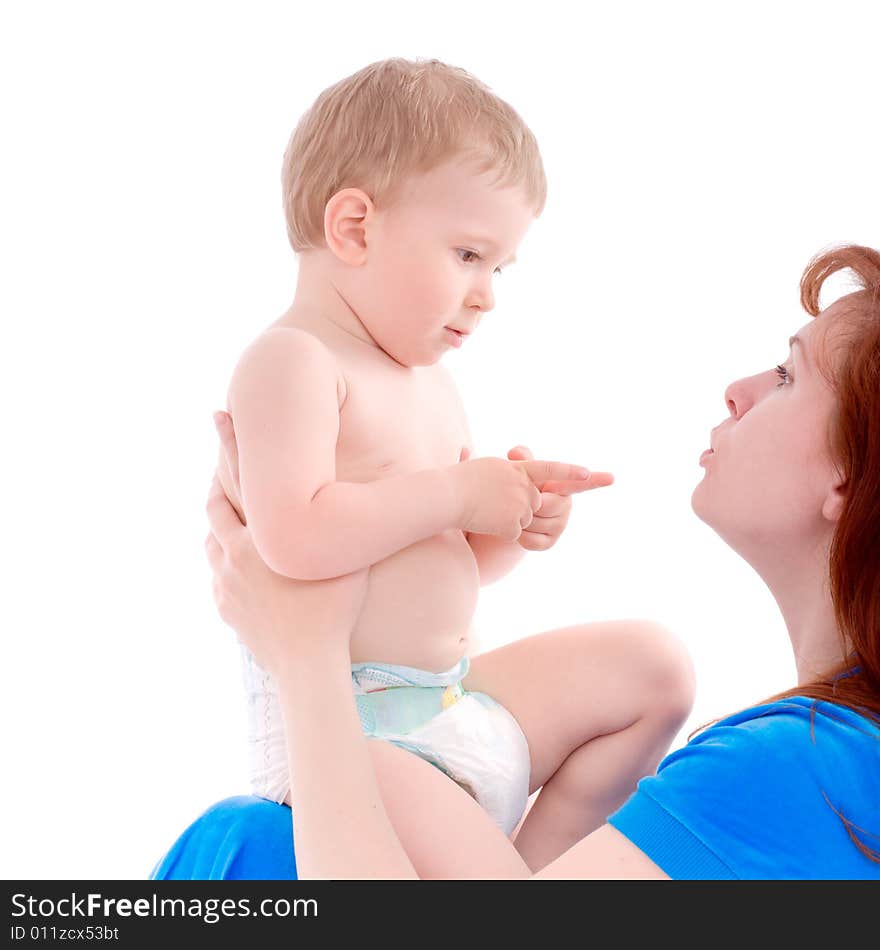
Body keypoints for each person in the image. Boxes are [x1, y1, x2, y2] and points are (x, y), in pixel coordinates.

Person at [154, 244, 880, 879]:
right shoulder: (830, 758)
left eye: (788, 375)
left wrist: (304, 651)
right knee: (654, 661)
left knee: (250, 840)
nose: (739, 389)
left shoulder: (802, 768)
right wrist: (484, 522)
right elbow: (426, 573)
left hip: (388, 734)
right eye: (469, 255)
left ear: (848, 477)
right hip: (418, 724)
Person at [205, 56, 694, 874]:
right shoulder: (292, 361)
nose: (488, 293)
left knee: (656, 669)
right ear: (354, 228)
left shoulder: (429, 380)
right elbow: (294, 540)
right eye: (469, 255)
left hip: (453, 699)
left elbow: (442, 565)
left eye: (498, 266)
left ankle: (537, 863)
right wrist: (456, 491)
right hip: (359, 742)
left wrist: (506, 523)